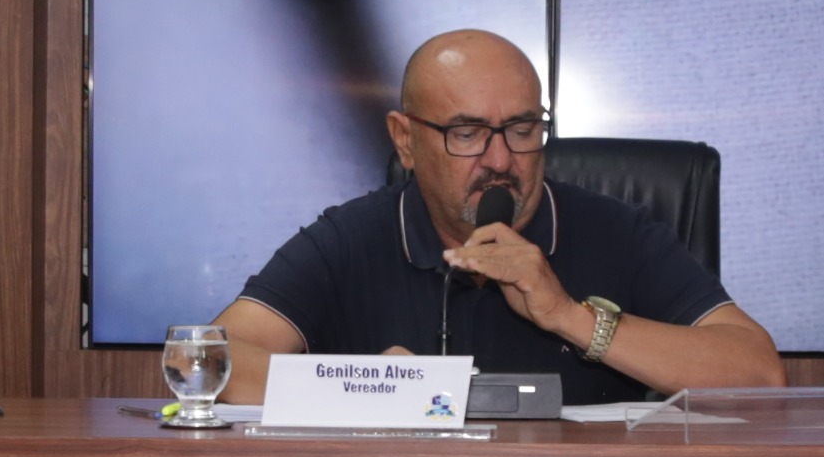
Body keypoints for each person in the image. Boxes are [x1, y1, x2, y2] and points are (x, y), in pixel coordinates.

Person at [217, 28, 783, 405]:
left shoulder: (617, 231)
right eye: (467, 133)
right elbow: (209, 360)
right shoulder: (349, 240)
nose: (500, 160)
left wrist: (568, 316)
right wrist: (372, 389)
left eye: (521, 128)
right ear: (405, 140)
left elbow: (759, 372)